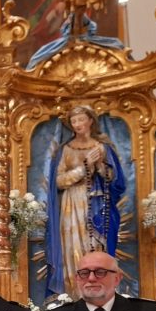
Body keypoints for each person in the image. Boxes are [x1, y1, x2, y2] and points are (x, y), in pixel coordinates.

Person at [45, 105, 126, 297]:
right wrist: (83, 168)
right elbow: (58, 181)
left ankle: (100, 293)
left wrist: (100, 167)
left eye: (81, 119)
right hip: (71, 204)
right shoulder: (66, 149)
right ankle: (73, 296)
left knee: (97, 246)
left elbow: (115, 180)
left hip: (97, 203)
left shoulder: (102, 148)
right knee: (72, 247)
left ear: (90, 121)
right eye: (73, 121)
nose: (77, 124)